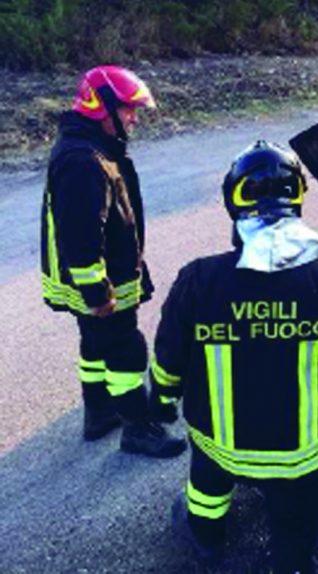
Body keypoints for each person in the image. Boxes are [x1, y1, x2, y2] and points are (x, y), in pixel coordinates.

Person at [152, 140, 318, 572]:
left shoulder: (199, 279)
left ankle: (207, 543)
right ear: (297, 199)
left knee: (206, 494)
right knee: (294, 528)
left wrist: (160, 400)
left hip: (218, 446)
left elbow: (169, 359)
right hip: (299, 455)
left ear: (232, 201)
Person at [41, 65, 186, 457]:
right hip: (100, 281)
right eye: (128, 110)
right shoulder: (83, 160)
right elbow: (81, 234)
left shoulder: (89, 146)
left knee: (93, 343)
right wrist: (97, 291)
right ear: (100, 106)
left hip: (88, 279)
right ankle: (139, 429)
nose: (134, 118)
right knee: (125, 349)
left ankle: (100, 414)